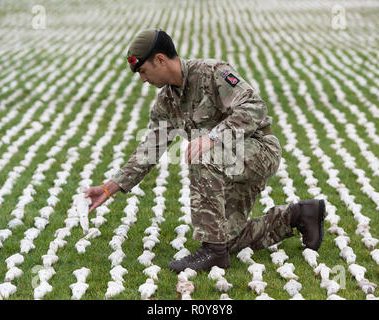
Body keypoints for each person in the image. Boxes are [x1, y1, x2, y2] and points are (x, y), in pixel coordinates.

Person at [85, 29, 325, 273]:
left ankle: (212, 252)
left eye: (143, 71)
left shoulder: (213, 72)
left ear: (160, 59)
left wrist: (212, 137)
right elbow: (149, 149)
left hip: (259, 149)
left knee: (201, 155)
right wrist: (109, 188)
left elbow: (255, 107)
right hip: (224, 163)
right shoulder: (166, 101)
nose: (143, 80)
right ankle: (300, 215)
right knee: (227, 238)